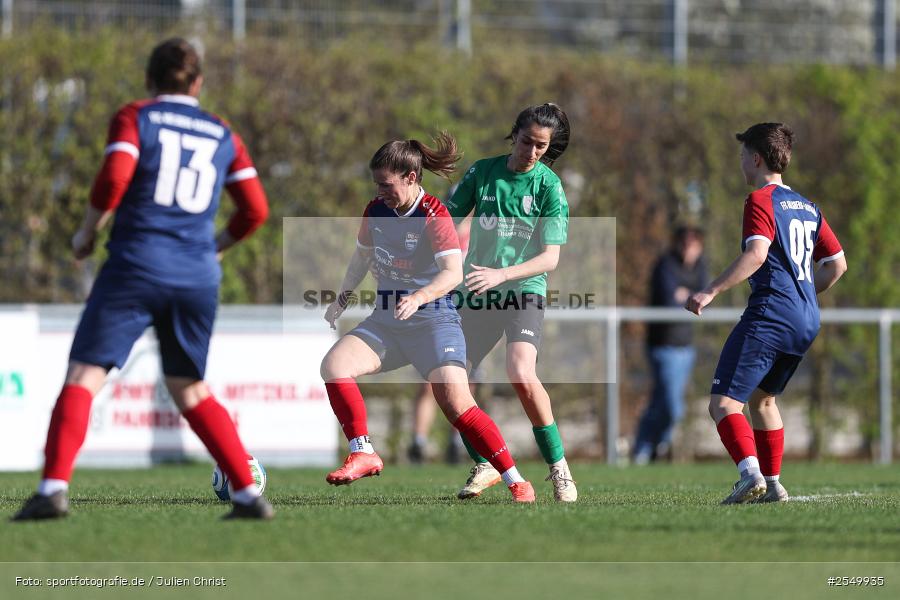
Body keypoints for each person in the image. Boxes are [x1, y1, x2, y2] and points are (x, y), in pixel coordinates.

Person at [11, 38, 272, 521]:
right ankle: (247, 494)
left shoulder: (138, 116)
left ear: (150, 80)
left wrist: (87, 232)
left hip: (136, 263)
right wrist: (213, 248)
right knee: (190, 387)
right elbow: (255, 210)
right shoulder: (222, 133)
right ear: (197, 84)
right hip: (196, 273)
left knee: (85, 375)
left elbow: (113, 178)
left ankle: (51, 489)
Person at [319, 132, 536, 503]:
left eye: (386, 184)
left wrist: (419, 297)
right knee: (334, 365)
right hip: (387, 320)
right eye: (376, 184)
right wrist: (342, 296)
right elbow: (361, 256)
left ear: (411, 178)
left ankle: (516, 480)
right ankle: (362, 451)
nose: (380, 191)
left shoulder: (434, 215)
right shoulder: (375, 211)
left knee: (458, 406)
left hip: (434, 320)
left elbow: (452, 274)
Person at [685, 122, 846, 504]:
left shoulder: (760, 201)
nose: (741, 162)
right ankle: (773, 485)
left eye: (743, 155)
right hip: (807, 318)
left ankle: (750, 475)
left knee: (723, 403)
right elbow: (837, 265)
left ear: (756, 158)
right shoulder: (808, 207)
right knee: (763, 401)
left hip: (772, 315)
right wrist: (804, 295)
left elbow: (756, 255)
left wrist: (710, 290)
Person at [445, 103, 576, 502]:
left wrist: (502, 274)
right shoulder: (483, 172)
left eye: (541, 147)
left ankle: (559, 469)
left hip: (523, 288)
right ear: (513, 133)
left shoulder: (549, 186)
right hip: (478, 291)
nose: (532, 152)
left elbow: (550, 257)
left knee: (520, 371)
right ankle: (484, 463)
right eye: (526, 141)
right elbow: (447, 221)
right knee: (448, 378)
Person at [633, 226, 708, 464]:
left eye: (694, 244)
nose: (689, 248)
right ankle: (652, 446)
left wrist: (685, 295)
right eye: (685, 243)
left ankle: (646, 449)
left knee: (660, 401)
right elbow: (668, 299)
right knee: (672, 406)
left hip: (686, 346)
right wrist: (690, 298)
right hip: (663, 345)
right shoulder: (665, 265)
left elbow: (706, 299)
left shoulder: (701, 266)